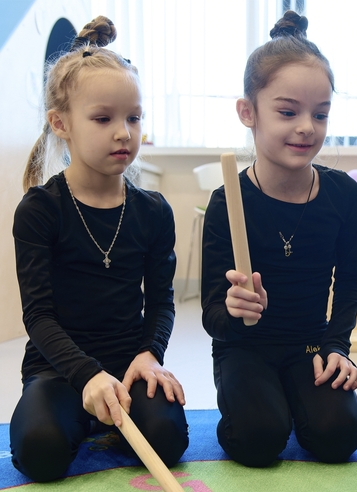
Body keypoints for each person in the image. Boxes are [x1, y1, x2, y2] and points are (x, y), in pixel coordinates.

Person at [11, 16, 188, 482]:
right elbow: (39, 317)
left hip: (130, 362)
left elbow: (162, 300)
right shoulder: (39, 209)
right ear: (61, 123)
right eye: (103, 118)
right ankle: (81, 412)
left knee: (169, 442)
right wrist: (86, 376)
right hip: (59, 367)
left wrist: (150, 353)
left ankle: (101, 415)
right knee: (39, 452)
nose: (123, 133)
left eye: (133, 118)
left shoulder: (153, 211)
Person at [201, 11, 357, 467]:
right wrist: (234, 311)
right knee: (257, 440)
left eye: (321, 113)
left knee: (339, 437)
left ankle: (296, 399)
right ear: (248, 112)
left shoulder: (343, 194)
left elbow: (351, 281)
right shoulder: (226, 200)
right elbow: (212, 315)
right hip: (245, 346)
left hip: (310, 344)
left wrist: (337, 348)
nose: (307, 127)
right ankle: (266, 402)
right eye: (288, 112)